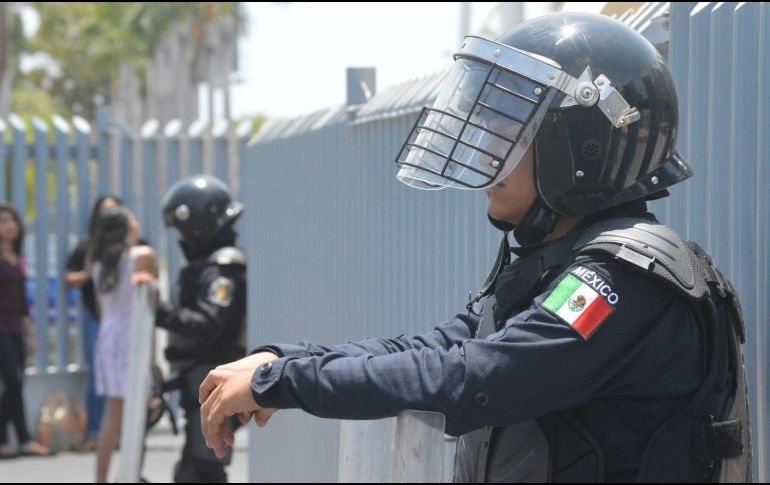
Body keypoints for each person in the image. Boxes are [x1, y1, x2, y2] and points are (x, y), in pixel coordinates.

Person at [198, 12, 751, 483]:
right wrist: (285, 361)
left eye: (512, 133)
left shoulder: (622, 282)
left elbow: (478, 376)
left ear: (581, 146)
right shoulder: (562, 265)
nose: (489, 151)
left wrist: (283, 383)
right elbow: (439, 348)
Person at [154, 175, 247, 483]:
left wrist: (160, 311)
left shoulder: (222, 268)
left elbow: (208, 324)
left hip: (212, 381)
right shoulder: (211, 265)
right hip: (201, 381)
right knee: (192, 469)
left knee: (203, 468)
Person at [90, 207, 157, 483]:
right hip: (133, 336)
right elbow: (154, 300)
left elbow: (101, 309)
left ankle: (102, 479)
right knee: (134, 411)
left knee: (114, 411)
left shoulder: (96, 264)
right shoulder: (142, 255)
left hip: (108, 336)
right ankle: (127, 475)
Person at [65, 195, 123, 452]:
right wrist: (90, 273)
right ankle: (95, 432)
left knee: (122, 379)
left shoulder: (131, 248)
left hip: (120, 320)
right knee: (100, 377)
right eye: (104, 213)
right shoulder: (88, 246)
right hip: (97, 319)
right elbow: (69, 277)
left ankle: (118, 433)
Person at [0, 203, 52, 459]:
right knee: (12, 380)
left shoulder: (18, 258)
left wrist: (28, 333)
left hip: (15, 327)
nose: (9, 226)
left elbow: (22, 301)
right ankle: (11, 438)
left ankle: (22, 438)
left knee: (18, 382)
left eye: (12, 221)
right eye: (4, 222)